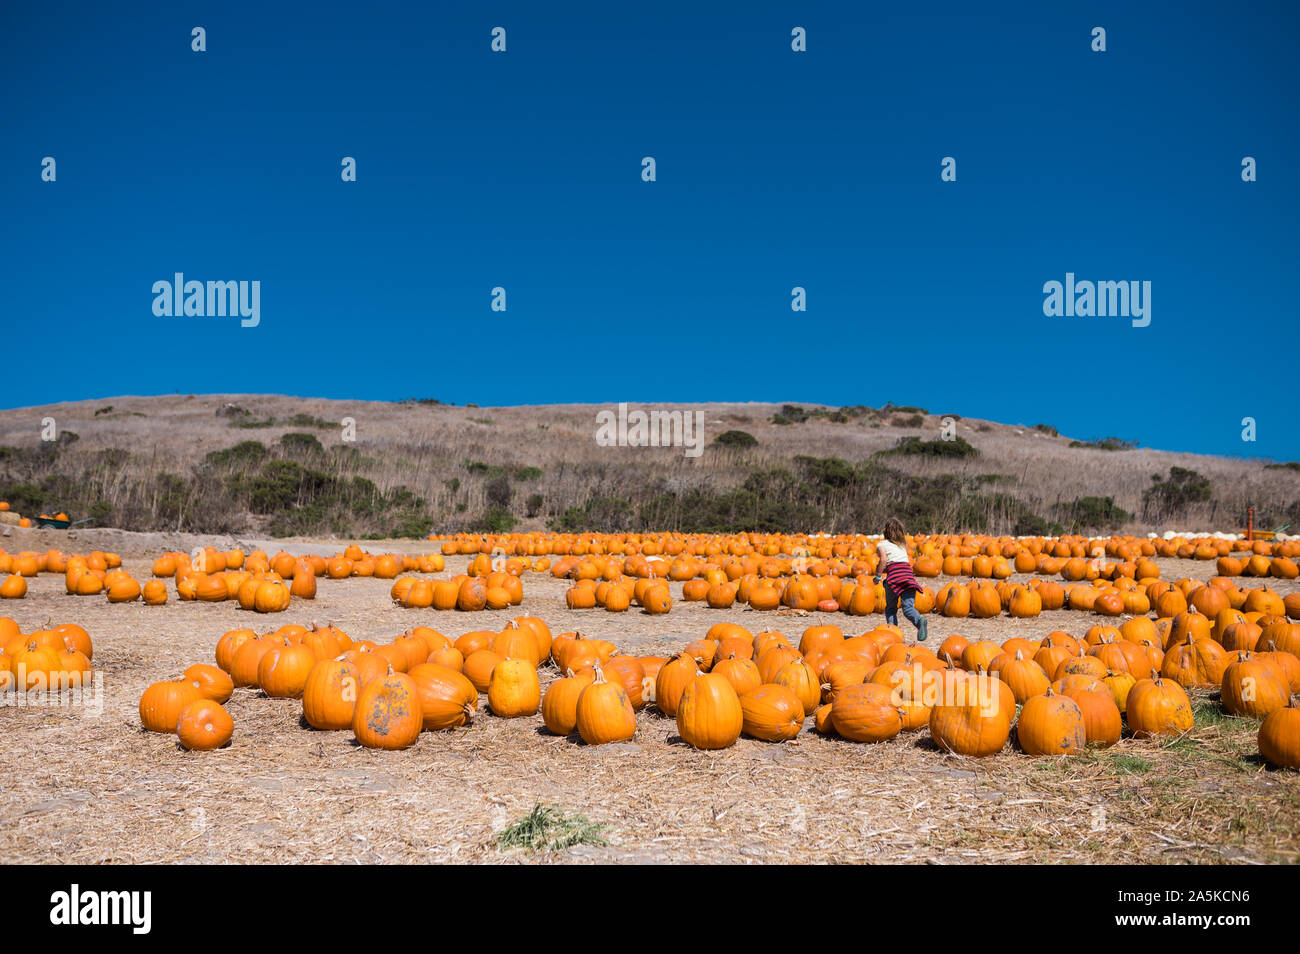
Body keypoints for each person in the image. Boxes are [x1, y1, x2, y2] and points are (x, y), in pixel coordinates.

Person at [874, 517, 927, 642]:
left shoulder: (882, 544)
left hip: (894, 579)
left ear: (885, 531)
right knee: (908, 608)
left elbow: (883, 560)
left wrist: (877, 576)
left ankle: (893, 633)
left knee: (891, 608)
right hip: (908, 577)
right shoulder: (902, 546)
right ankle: (920, 621)